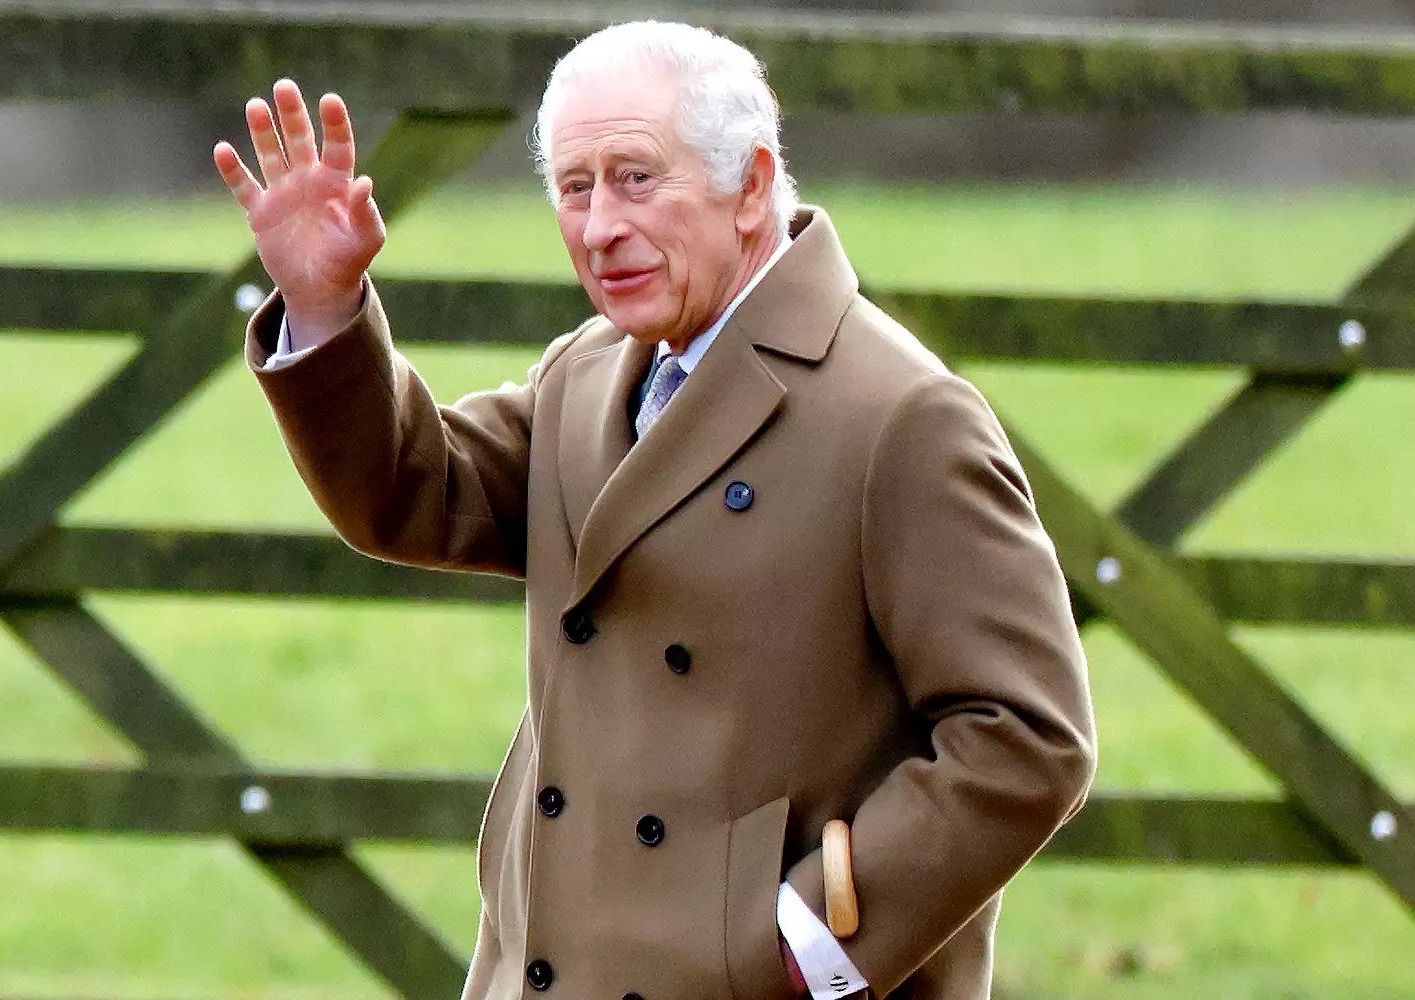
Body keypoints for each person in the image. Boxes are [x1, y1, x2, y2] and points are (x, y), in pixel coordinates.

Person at [215, 21, 1096, 1000]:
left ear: (751, 185)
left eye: (636, 179)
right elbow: (418, 493)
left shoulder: (899, 416)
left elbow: (1027, 734)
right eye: (574, 187)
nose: (599, 227)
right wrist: (329, 313)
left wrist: (814, 942)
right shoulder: (588, 373)